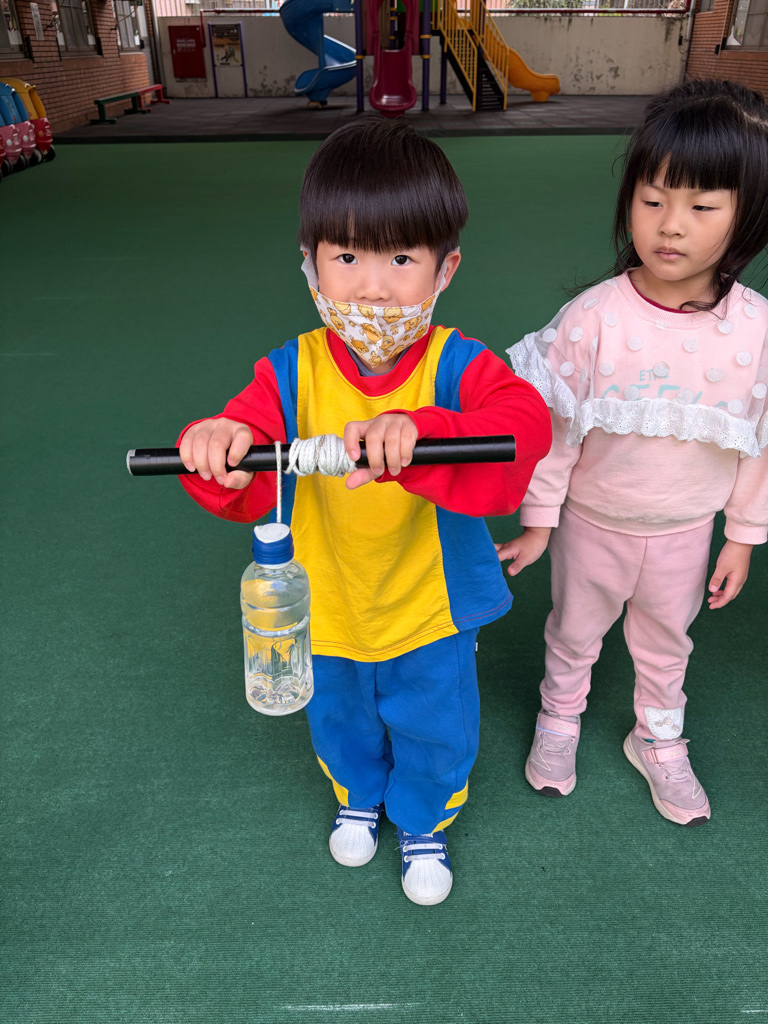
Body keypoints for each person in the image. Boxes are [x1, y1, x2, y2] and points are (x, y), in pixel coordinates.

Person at [177, 117, 552, 904]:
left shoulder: (460, 364)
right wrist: (218, 443)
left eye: (402, 259)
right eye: (347, 257)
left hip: (429, 607)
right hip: (327, 603)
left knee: (435, 723)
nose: (373, 287)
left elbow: (523, 427)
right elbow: (242, 457)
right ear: (310, 263)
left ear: (446, 268)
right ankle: (358, 794)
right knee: (339, 718)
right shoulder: (291, 371)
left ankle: (424, 821)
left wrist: (427, 433)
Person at [497, 79, 768, 827]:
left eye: (702, 206)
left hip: (687, 531)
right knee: (573, 631)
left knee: (666, 642)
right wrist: (540, 522)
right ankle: (559, 718)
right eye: (652, 199)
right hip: (593, 524)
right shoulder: (593, 318)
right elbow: (556, 432)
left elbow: (759, 440)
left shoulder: (756, 332)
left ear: (749, 213)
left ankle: (658, 737)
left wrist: (743, 537)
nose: (670, 225)